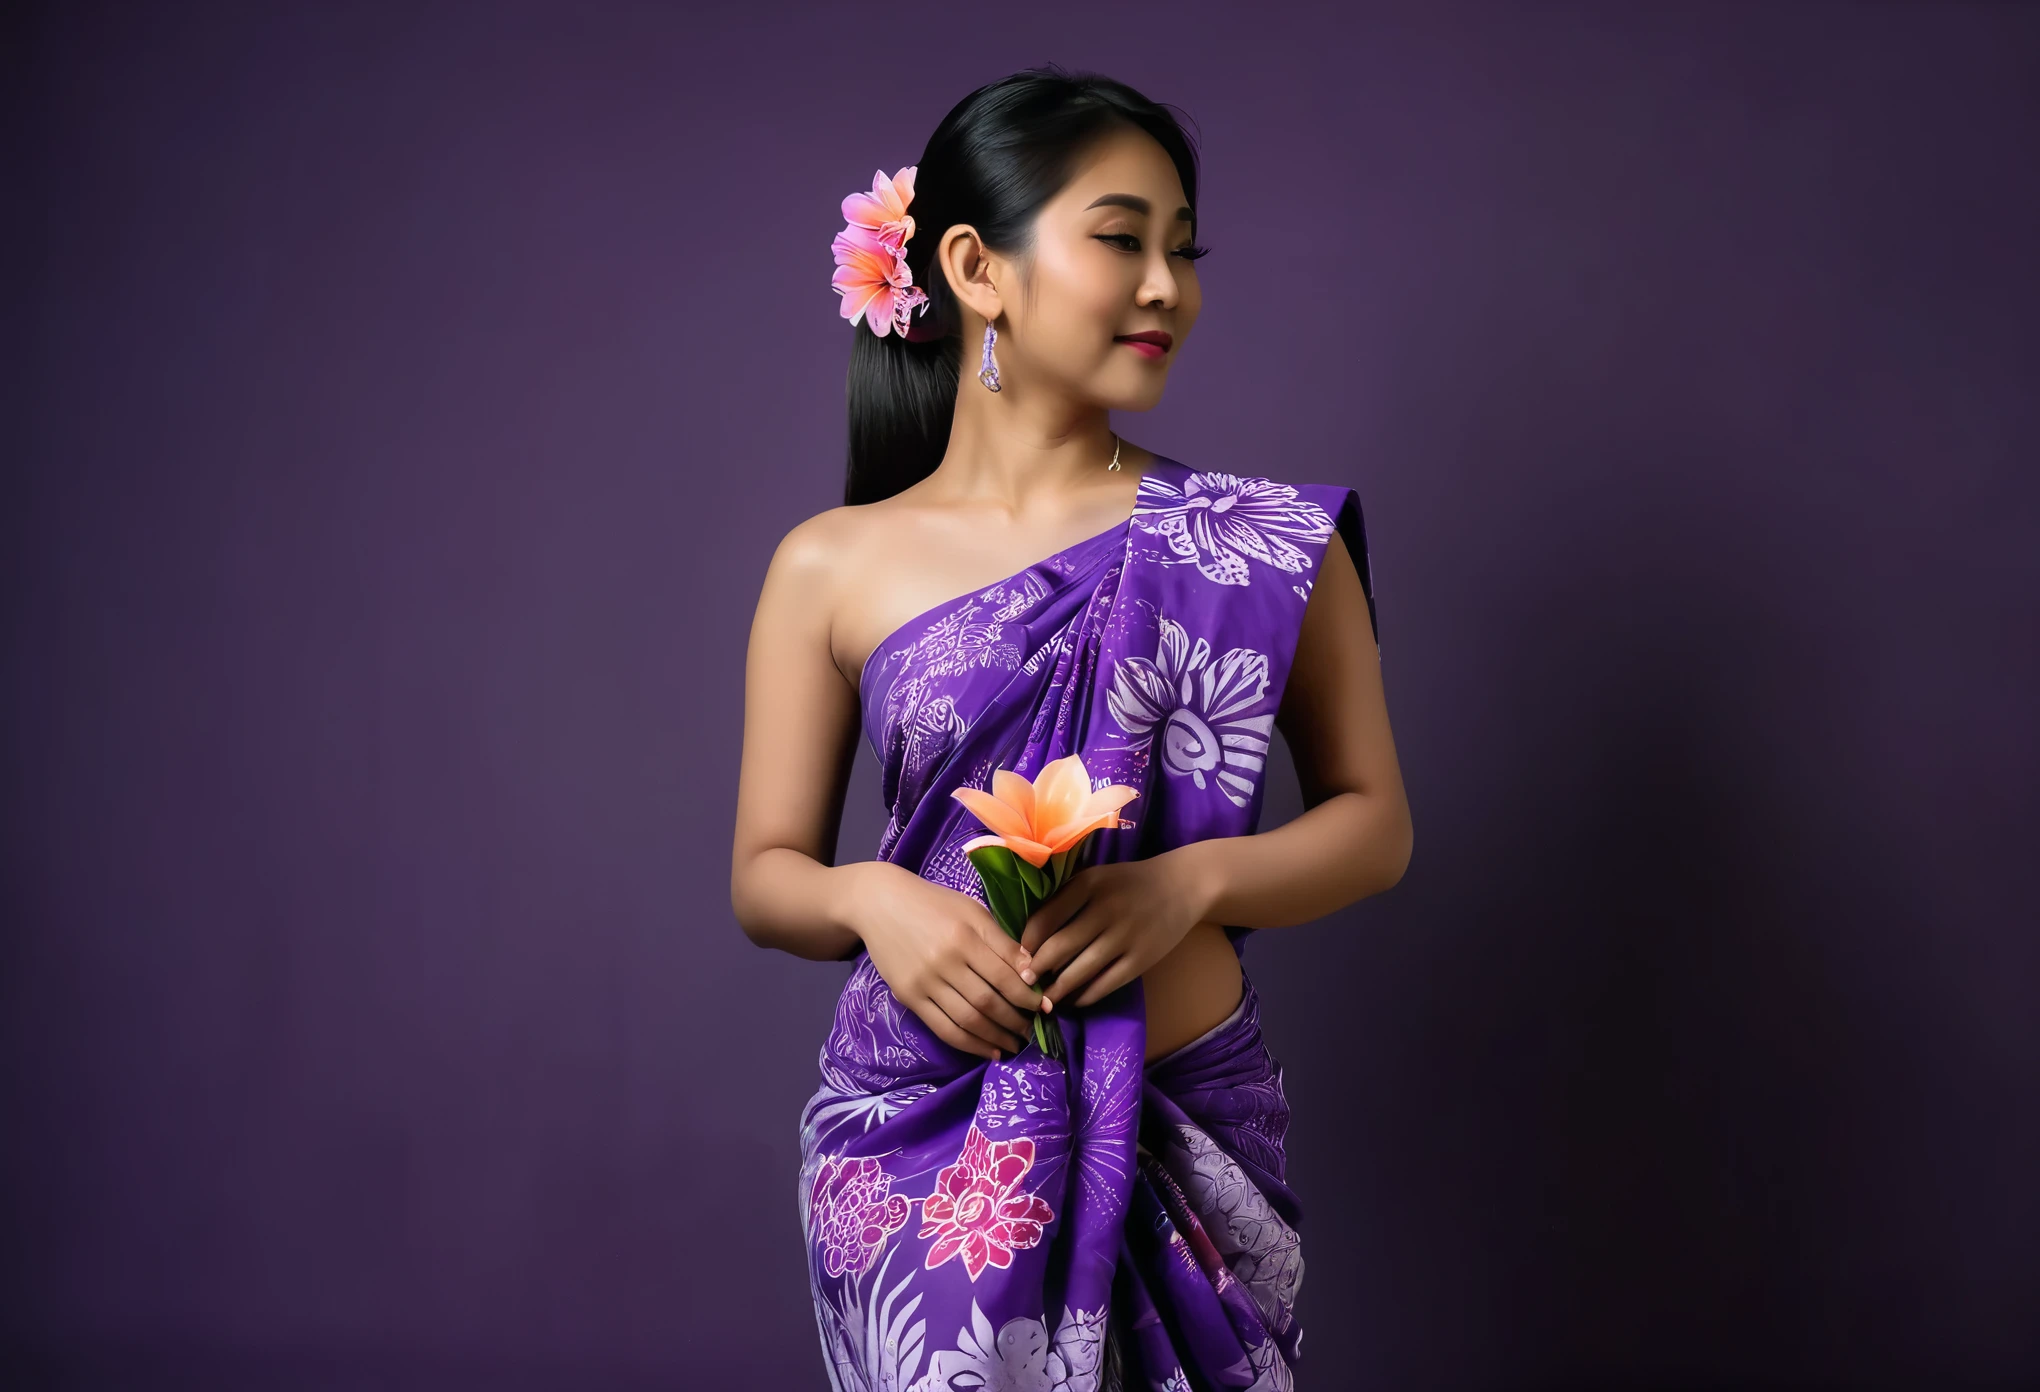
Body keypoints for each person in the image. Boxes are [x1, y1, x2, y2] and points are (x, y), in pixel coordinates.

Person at [730, 65, 1411, 1391]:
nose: (1169, 286)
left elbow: (1375, 824)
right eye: (1121, 240)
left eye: (1183, 250)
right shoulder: (830, 565)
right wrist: (876, 899)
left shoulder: (1260, 544)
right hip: (925, 1149)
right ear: (978, 268)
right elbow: (766, 874)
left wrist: (1188, 884)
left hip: (1193, 1137)